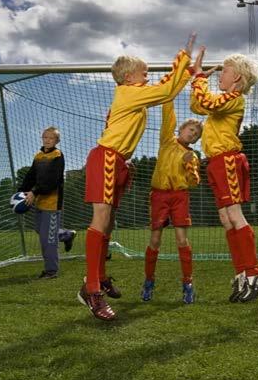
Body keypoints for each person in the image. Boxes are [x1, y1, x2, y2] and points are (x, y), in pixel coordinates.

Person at [78, 34, 197, 321]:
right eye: (144, 71)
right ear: (129, 77)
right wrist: (184, 58)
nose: (148, 74)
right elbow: (165, 90)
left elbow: (165, 91)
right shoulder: (128, 93)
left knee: (109, 222)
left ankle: (101, 277)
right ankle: (91, 289)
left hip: (117, 161)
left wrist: (189, 74)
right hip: (106, 157)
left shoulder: (134, 94)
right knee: (100, 220)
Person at [189, 50, 258, 302]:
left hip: (228, 160)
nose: (221, 74)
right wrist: (197, 79)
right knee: (225, 219)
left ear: (238, 79)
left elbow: (207, 103)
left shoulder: (234, 98)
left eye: (225, 70)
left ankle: (254, 271)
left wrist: (200, 77)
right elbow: (197, 105)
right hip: (215, 162)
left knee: (234, 214)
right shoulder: (224, 98)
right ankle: (242, 271)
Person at [141, 101, 203, 304]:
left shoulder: (192, 155)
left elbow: (194, 182)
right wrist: (168, 97)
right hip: (159, 195)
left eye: (195, 134)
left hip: (179, 197)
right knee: (155, 240)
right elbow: (168, 117)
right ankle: (149, 281)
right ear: (181, 128)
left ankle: (188, 284)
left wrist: (189, 166)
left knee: (181, 240)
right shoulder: (167, 140)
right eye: (190, 130)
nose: (192, 134)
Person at [17, 126, 76, 279]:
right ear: (42, 138)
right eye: (45, 137)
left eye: (52, 138)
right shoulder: (38, 156)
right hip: (39, 202)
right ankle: (66, 235)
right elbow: (31, 176)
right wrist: (21, 191)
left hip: (52, 203)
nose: (48, 140)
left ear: (57, 141)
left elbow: (52, 180)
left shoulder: (58, 155)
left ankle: (51, 271)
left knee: (47, 239)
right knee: (40, 230)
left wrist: (34, 191)